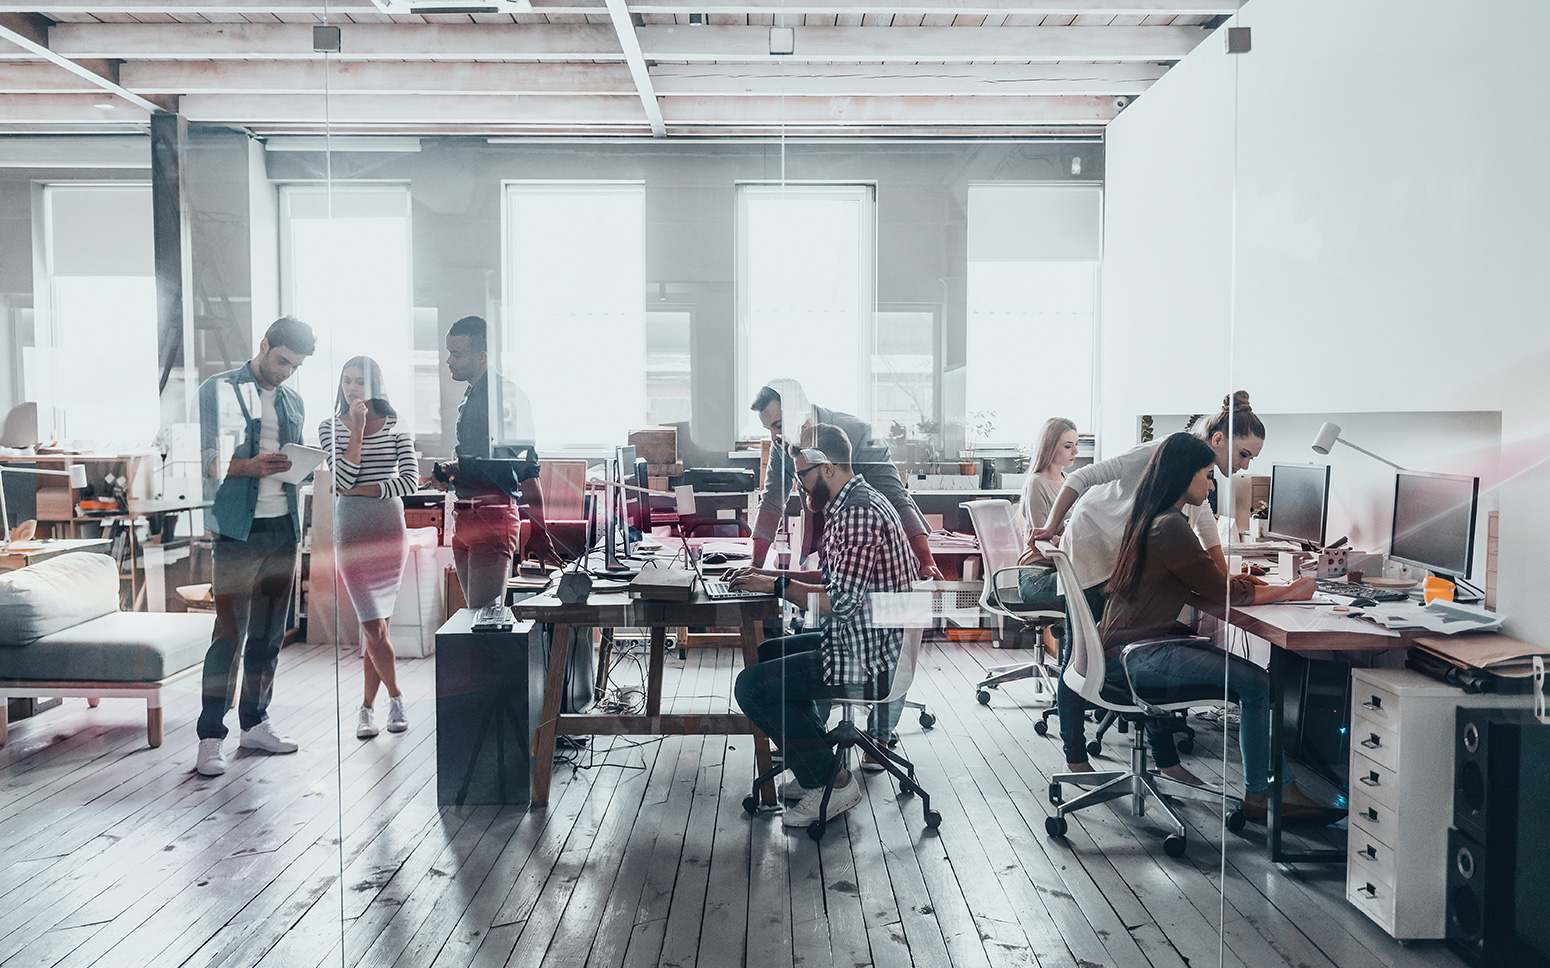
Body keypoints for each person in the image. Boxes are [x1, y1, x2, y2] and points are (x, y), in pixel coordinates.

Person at [1099, 433, 1341, 824]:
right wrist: (1293, 590)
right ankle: (1264, 795)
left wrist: (1260, 588)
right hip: (1138, 657)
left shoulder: (1155, 517)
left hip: (1122, 652)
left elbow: (1207, 589)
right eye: (1208, 476)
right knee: (1257, 684)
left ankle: (1275, 789)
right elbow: (1223, 594)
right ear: (1184, 476)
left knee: (1254, 680)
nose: (1212, 486)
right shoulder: (1171, 526)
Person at [1032, 391, 1267, 777]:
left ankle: (1166, 761)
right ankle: (1075, 758)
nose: (1243, 466)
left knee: (1148, 639)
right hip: (1095, 546)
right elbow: (1082, 476)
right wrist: (1052, 526)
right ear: (1220, 439)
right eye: (1244, 454)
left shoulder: (1195, 476)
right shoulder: (1165, 452)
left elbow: (1206, 528)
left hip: (1126, 551)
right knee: (1083, 654)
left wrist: (1223, 580)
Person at [730, 424, 916, 828]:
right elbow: (839, 581)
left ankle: (831, 781)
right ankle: (819, 765)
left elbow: (838, 603)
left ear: (827, 468)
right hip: (868, 639)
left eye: (802, 474)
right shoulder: (854, 503)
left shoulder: (856, 514)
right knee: (767, 654)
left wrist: (779, 586)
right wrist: (769, 577)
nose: (798, 484)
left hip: (869, 658)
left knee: (751, 686)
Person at [194, 316, 315, 777]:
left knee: (269, 637)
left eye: (295, 366)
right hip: (236, 533)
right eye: (282, 360)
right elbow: (203, 459)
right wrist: (251, 467)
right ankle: (210, 738)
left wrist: (299, 467)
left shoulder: (293, 401)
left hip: (282, 528)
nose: (286, 372)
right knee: (229, 636)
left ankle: (256, 723)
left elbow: (293, 463)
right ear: (263, 345)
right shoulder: (218, 390)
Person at [319, 357, 420, 740]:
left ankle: (365, 709)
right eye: (346, 381)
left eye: (360, 381)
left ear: (376, 384)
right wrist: (357, 429)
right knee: (374, 627)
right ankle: (396, 696)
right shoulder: (329, 427)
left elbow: (409, 481)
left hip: (389, 531)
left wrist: (360, 490)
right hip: (352, 531)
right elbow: (341, 474)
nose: (352, 388)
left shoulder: (397, 425)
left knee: (377, 631)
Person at [749, 379, 941, 579]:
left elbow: (896, 498)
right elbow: (772, 501)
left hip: (871, 544)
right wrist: (755, 566)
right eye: (768, 429)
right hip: (826, 543)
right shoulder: (781, 443)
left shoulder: (859, 433)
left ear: (799, 414)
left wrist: (927, 562)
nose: (773, 438)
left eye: (778, 426)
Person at [432, 315, 551, 608]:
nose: (449, 361)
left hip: (492, 517)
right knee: (475, 617)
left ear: (482, 356)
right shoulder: (471, 395)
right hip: (465, 516)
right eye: (448, 352)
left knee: (484, 620)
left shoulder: (508, 399)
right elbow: (482, 463)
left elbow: (527, 471)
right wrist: (449, 470)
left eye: (457, 354)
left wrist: (539, 531)